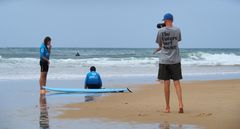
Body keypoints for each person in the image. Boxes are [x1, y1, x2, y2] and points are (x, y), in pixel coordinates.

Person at [155, 13, 184, 113]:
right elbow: (178, 40)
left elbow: (160, 43)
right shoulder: (177, 29)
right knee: (177, 82)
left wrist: (160, 47)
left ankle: (167, 107)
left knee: (166, 84)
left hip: (164, 60)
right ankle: (180, 104)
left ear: (166, 20)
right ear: (172, 20)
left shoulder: (160, 31)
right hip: (175, 59)